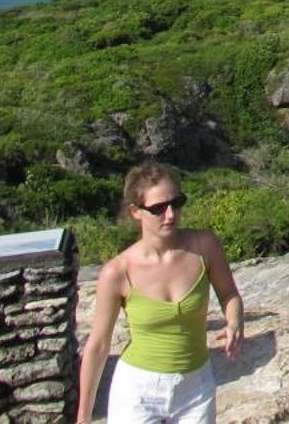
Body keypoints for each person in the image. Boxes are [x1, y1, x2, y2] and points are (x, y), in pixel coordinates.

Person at [77, 162, 243, 424]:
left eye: (176, 203)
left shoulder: (205, 245)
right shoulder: (118, 271)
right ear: (135, 212)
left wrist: (234, 321)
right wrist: (83, 417)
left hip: (196, 387)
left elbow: (229, 294)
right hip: (138, 390)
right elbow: (97, 345)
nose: (170, 214)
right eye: (157, 209)